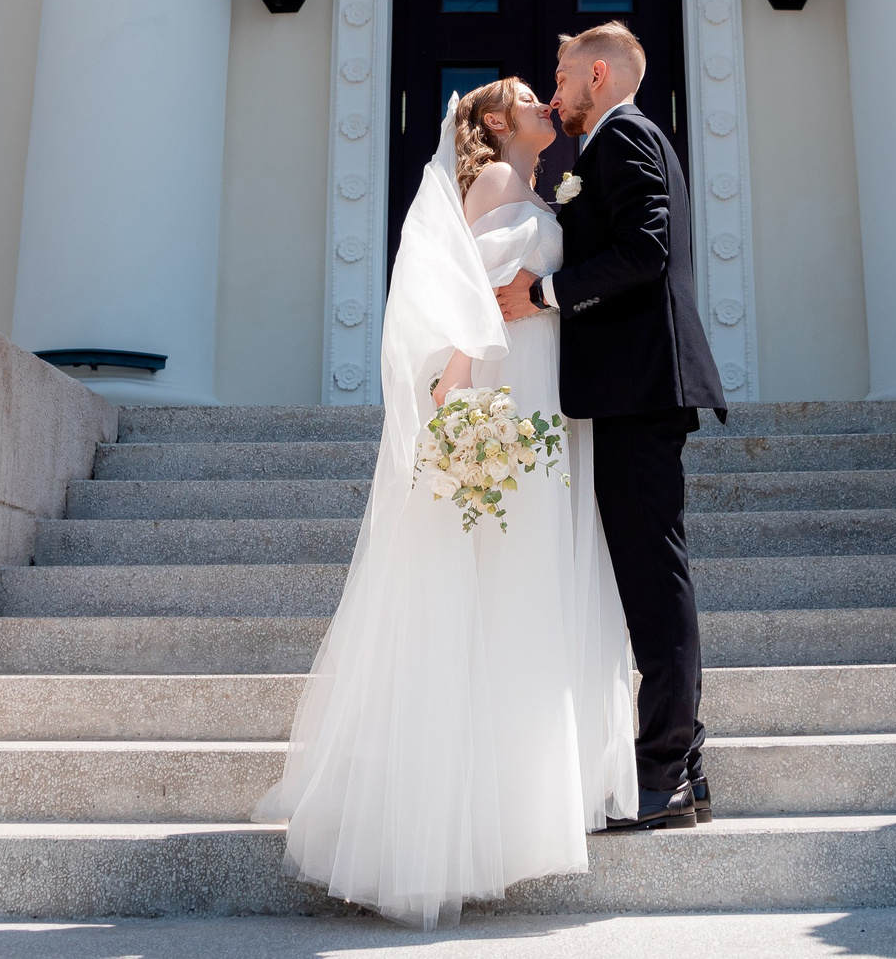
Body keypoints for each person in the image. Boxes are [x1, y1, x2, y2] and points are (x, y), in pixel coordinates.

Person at [255, 79, 638, 929]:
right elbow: (459, 289)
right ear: (498, 124)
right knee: (501, 580)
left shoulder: (534, 188)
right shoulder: (500, 181)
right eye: (531, 97)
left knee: (519, 585)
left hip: (541, 390)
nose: (547, 103)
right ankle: (473, 817)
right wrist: (457, 403)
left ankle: (504, 803)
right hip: (509, 390)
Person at [494, 21, 729, 833]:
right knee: (650, 580)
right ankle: (684, 768)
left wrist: (548, 294)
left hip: (639, 391)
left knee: (654, 587)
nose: (555, 91)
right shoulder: (616, 141)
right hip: (631, 390)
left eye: (561, 74)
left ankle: (662, 768)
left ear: (599, 72)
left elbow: (648, 249)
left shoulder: (625, 135)